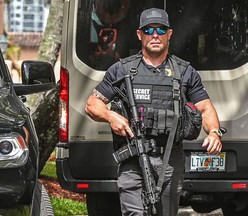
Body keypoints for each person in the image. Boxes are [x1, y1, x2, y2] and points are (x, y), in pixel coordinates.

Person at [85, 8, 222, 216]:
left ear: (169, 34)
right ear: (140, 35)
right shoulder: (122, 70)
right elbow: (92, 104)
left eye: (161, 29)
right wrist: (111, 116)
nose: (155, 35)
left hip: (169, 158)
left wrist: (214, 132)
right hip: (133, 157)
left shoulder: (184, 72)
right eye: (149, 30)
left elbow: (205, 108)